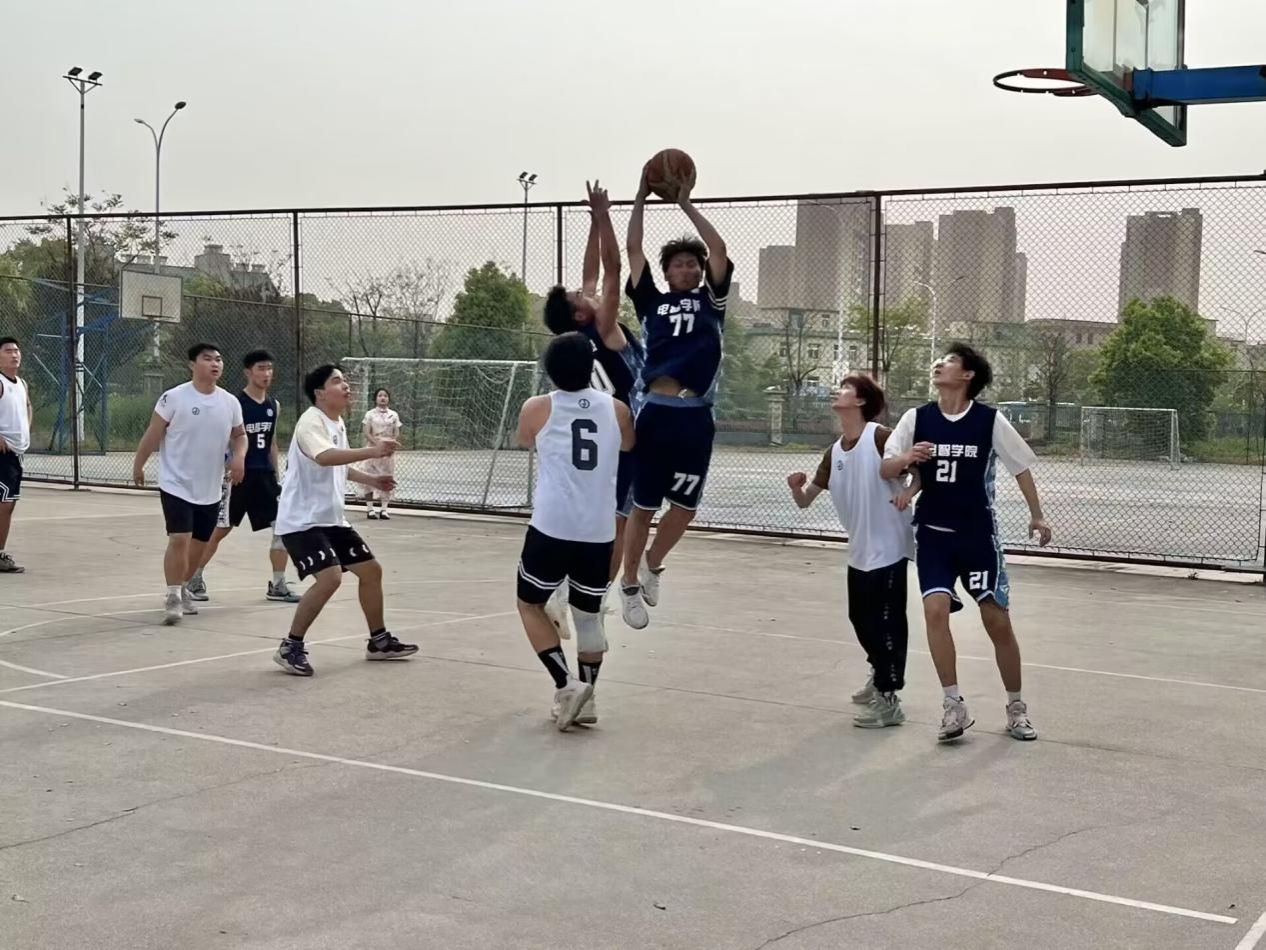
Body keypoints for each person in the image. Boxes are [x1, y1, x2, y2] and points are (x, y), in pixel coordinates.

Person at [881, 343, 1052, 743]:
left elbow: (1021, 467)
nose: (940, 364)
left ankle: (1016, 708)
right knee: (935, 611)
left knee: (996, 620)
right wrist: (907, 459)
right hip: (933, 535)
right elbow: (886, 467)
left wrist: (1037, 514)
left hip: (977, 537)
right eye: (940, 360)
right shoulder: (916, 418)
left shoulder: (988, 420)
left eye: (950, 361)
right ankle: (953, 705)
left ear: (968, 375)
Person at [618, 166, 732, 629]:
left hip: (695, 416)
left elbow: (719, 250)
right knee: (643, 507)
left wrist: (685, 203)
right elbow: (633, 249)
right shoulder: (652, 301)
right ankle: (628, 584)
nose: (687, 269)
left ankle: (653, 564)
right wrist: (641, 196)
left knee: (685, 507)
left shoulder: (712, 303)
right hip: (657, 413)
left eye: (692, 264)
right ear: (666, 272)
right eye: (679, 264)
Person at [513, 332, 635, 730]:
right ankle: (588, 698)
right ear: (590, 367)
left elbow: (524, 440)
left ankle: (567, 685)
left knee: (529, 603)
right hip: (598, 529)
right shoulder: (618, 410)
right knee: (588, 616)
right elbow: (629, 445)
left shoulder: (537, 407)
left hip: (552, 524)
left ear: (550, 370)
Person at [542, 180, 646, 635]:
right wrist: (604, 217)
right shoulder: (603, 325)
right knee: (620, 522)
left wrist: (591, 223)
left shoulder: (580, 334)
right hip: (625, 432)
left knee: (600, 520)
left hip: (598, 432)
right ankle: (591, 598)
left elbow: (590, 274)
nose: (586, 291)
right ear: (582, 313)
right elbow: (612, 268)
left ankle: (569, 591)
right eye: (579, 297)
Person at [786, 375, 917, 728]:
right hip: (859, 550)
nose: (837, 391)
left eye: (845, 388)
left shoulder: (880, 437)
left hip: (889, 547)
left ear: (860, 401)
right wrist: (796, 488)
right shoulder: (834, 452)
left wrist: (909, 492)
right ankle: (879, 674)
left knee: (887, 623)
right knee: (860, 619)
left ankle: (889, 699)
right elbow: (805, 500)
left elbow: (919, 471)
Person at [272, 364, 417, 676]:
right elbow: (325, 457)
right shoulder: (311, 421)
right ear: (320, 393)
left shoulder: (335, 422)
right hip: (302, 521)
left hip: (331, 520)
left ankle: (378, 642)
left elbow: (340, 464)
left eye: (346, 380)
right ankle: (290, 646)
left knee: (371, 571)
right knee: (331, 578)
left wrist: (372, 480)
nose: (346, 386)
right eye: (337, 381)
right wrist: (373, 450)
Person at [132, 343, 247, 625]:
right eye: (207, 359)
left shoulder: (230, 402)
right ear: (192, 365)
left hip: (210, 486)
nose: (215, 364)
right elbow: (153, 433)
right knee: (179, 538)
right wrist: (139, 464)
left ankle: (183, 587)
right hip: (176, 482)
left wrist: (239, 458)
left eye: (218, 359)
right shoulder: (173, 398)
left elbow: (240, 435)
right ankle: (172, 595)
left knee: (199, 544)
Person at [187, 349, 301, 604]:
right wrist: (227, 466)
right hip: (238, 477)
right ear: (248, 372)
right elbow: (224, 440)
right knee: (220, 529)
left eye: (269, 368)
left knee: (282, 527)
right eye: (261, 368)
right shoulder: (234, 404)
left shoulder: (273, 405)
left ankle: (278, 584)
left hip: (265, 477)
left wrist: (276, 474)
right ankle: (193, 576)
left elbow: (271, 442)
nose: (266, 373)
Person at [0, 337, 33, 574]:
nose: (14, 354)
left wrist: (26, 427)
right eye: (8, 351)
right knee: (5, 504)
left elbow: (28, 405)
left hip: (16, 453)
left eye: (17, 351)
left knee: (8, 505)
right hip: (3, 454)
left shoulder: (21, 383)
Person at [361, 388, 401, 520]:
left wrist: (391, 445)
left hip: (387, 451)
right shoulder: (370, 414)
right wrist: (377, 444)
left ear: (388, 399)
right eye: (380, 395)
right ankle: (370, 509)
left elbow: (396, 433)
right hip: (372, 449)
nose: (382, 398)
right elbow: (367, 432)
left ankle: (384, 509)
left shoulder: (393, 415)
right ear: (375, 398)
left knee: (387, 476)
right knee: (368, 476)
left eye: (385, 396)